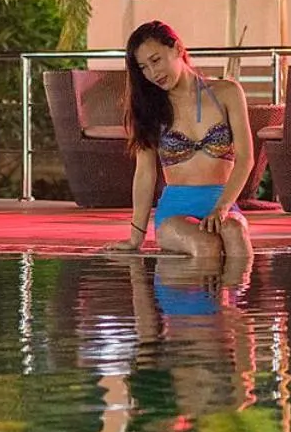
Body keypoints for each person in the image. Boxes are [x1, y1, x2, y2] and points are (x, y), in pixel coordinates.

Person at [103, 20, 253, 261]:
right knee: (205, 245)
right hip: (176, 211)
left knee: (234, 233)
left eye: (156, 60)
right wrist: (135, 237)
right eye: (143, 67)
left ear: (177, 48)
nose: (153, 74)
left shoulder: (227, 93)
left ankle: (236, 298)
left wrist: (222, 207)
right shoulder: (149, 108)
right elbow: (145, 174)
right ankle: (202, 298)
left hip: (223, 203)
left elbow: (246, 158)